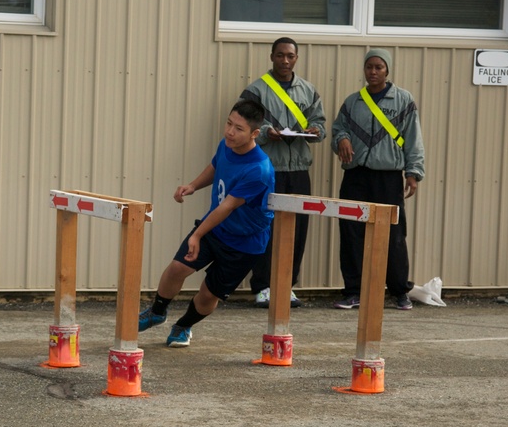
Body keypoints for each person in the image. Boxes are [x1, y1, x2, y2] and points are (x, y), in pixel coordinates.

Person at [138, 99, 275, 347]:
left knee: (208, 293)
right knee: (177, 268)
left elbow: (227, 206)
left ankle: (184, 326)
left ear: (255, 133)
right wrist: (192, 185)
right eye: (229, 123)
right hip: (216, 228)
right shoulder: (227, 145)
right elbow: (216, 166)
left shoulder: (259, 169)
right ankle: (157, 312)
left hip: (244, 243)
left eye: (239, 129)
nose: (230, 132)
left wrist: (197, 235)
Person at [331, 48, 425, 311]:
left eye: (378, 67)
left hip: (388, 178)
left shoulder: (403, 100)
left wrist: (413, 173)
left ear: (387, 70)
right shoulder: (353, 102)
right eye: (369, 67)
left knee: (393, 234)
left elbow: (414, 138)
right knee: (351, 233)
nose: (373, 72)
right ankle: (353, 292)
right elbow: (338, 129)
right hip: (356, 175)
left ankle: (399, 291)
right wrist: (342, 139)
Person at [239, 37, 326, 308]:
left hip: (299, 169)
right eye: (280, 55)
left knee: (298, 229)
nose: (285, 61)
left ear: (296, 58)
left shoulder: (308, 91)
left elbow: (320, 123)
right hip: (267, 169)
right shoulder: (257, 90)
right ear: (272, 57)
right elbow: (242, 123)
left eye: (290, 56)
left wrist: (315, 131)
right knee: (266, 227)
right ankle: (263, 286)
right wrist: (266, 133)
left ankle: (286, 286)